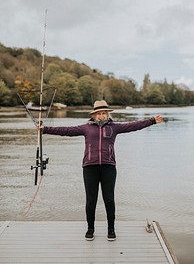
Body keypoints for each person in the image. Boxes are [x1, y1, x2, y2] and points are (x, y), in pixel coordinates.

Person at [40, 100, 163, 241]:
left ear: (107, 114)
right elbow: (66, 130)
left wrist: (152, 121)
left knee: (109, 200)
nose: (101, 116)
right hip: (89, 167)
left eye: (104, 113)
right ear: (94, 115)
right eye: (98, 113)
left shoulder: (114, 127)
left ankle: (111, 229)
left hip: (108, 167)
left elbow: (133, 126)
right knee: (91, 200)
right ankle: (90, 229)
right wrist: (46, 129)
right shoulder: (86, 128)